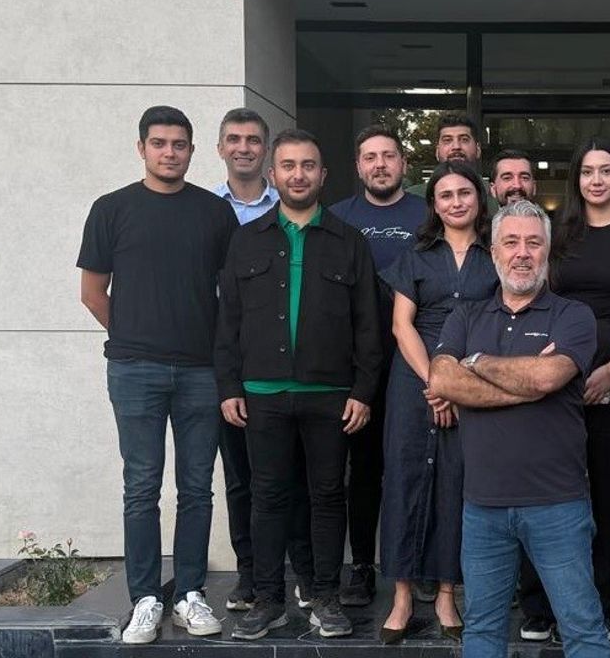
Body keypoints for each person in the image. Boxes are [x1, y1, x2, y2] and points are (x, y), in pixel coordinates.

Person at [215, 128, 383, 641]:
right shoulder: (247, 239)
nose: (298, 174)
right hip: (262, 395)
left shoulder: (349, 241)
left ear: (323, 174)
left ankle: (326, 598)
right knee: (267, 498)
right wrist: (229, 385)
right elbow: (228, 321)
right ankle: (269, 600)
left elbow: (368, 324)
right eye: (288, 166)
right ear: (273, 174)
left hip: (330, 396)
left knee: (328, 497)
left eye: (308, 165)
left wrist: (363, 391)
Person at [78, 105, 236, 643]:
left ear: (192, 150)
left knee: (196, 488)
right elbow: (92, 292)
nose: (170, 152)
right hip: (134, 370)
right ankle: (145, 598)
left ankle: (189, 594)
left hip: (201, 371)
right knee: (141, 487)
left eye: (179, 144)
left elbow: (231, 294)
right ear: (142, 147)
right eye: (160, 143)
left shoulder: (214, 213)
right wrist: (134, 336)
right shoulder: (111, 209)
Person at [428, 199, 610, 658]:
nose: (522, 253)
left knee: (583, 628)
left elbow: (548, 377)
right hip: (482, 506)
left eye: (533, 242)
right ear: (493, 253)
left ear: (548, 251)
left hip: (558, 503)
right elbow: (442, 380)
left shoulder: (572, 315)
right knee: (482, 630)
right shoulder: (466, 315)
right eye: (511, 242)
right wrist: (525, 383)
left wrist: (476, 362)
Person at [518, 139, 610, 641]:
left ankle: (607, 604)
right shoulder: (557, 234)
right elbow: (536, 301)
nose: (597, 180)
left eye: (606, 170)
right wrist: (557, 370)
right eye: (587, 171)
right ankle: (542, 604)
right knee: (551, 495)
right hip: (557, 384)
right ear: (576, 179)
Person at [378, 161, 497, 644]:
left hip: (473, 378)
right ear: (434, 204)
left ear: (479, 198)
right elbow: (400, 324)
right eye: (445, 195)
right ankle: (402, 596)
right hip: (414, 379)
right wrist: (436, 381)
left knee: (456, 482)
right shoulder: (416, 254)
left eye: (464, 193)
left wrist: (456, 384)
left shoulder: (495, 253)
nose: (456, 202)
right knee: (404, 479)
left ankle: (447, 593)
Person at [209, 108, 316, 614]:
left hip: (292, 371)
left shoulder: (292, 205)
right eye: (234, 139)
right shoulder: (207, 211)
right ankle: (250, 574)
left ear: (267, 154)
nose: (244, 148)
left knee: (294, 477)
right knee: (242, 479)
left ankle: (303, 572)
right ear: (221, 148)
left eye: (253, 140)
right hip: (238, 362)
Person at [328, 124, 429, 606]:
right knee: (364, 470)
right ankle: (363, 566)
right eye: (370, 157)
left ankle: (421, 563)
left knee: (418, 467)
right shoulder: (338, 217)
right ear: (358, 166)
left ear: (403, 163)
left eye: (389, 156)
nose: (380, 165)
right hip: (359, 367)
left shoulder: (427, 215)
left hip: (418, 360)